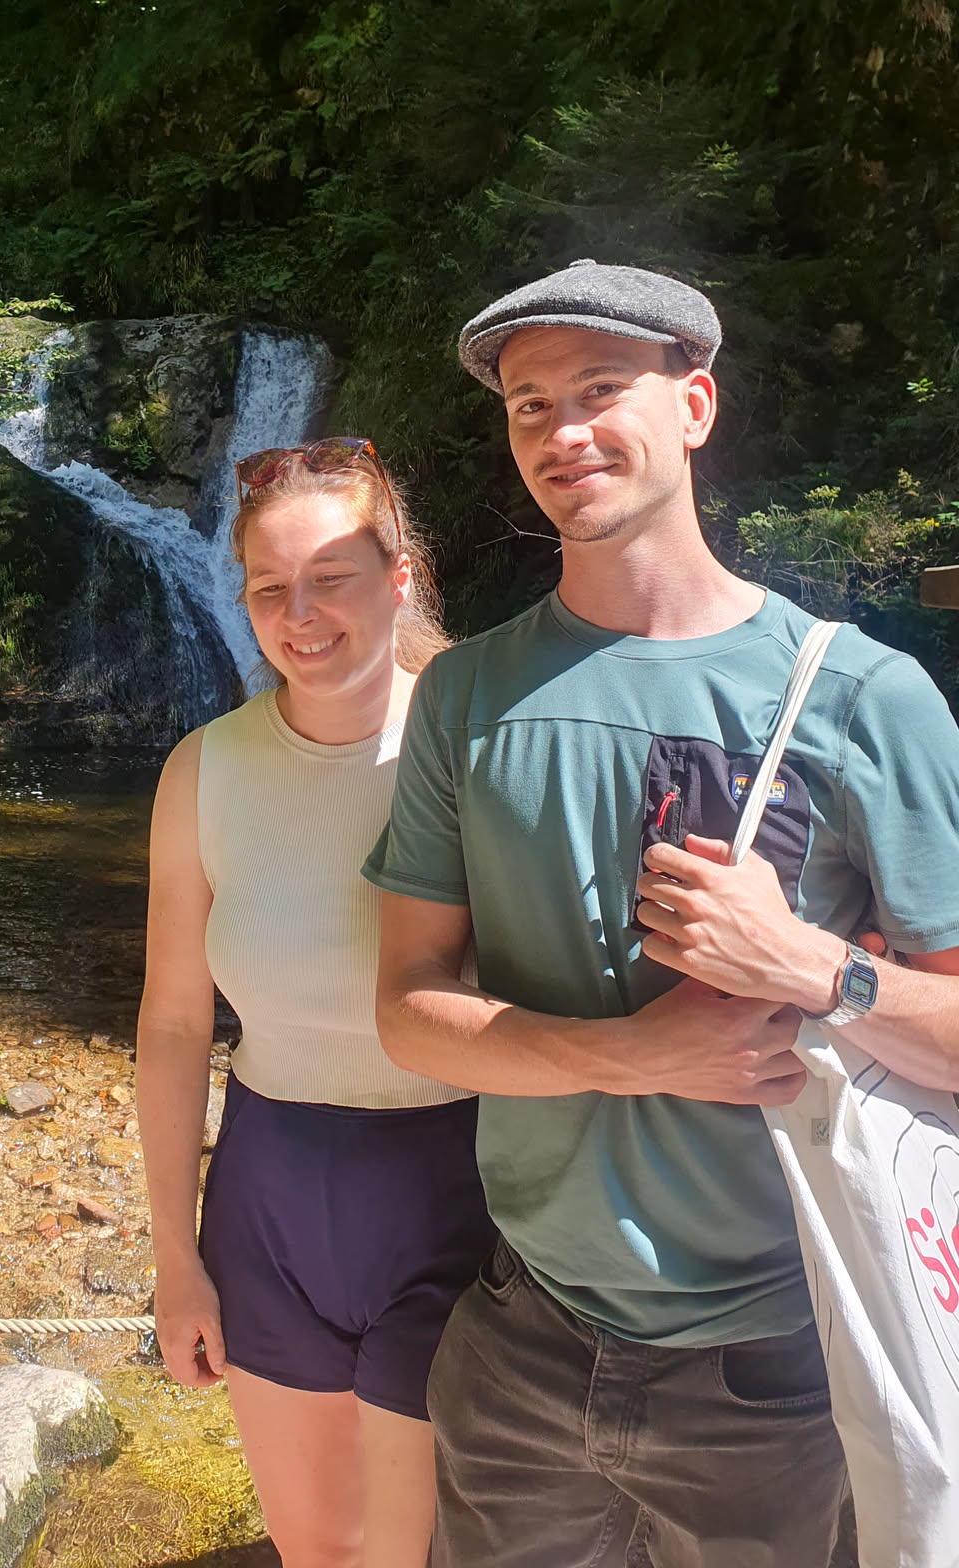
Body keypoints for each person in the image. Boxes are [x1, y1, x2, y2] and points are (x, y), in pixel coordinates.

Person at [367, 259, 959, 1568]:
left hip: (784, 1372)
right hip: (521, 1343)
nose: (562, 432)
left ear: (694, 407)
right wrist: (631, 1056)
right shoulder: (465, 699)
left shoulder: (868, 699)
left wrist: (812, 966)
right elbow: (407, 1009)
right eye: (529, 405)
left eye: (600, 390)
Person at [136, 437, 493, 1568]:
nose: (300, 616)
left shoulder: (478, 747)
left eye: (330, 578)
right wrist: (176, 1261)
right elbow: (174, 1025)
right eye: (269, 588)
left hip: (457, 1189)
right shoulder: (202, 770)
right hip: (268, 1197)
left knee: (412, 1554)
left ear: (399, 577)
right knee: (314, 1552)